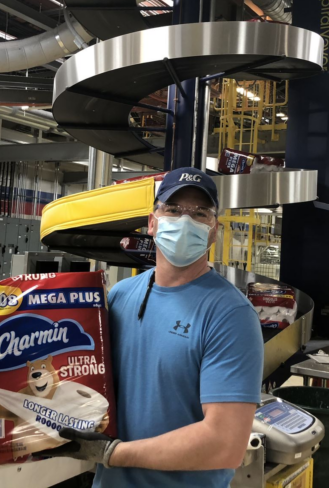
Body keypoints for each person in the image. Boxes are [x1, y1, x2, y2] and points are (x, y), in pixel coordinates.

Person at [56, 167, 265, 487]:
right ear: (152, 223)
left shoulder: (230, 315)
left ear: (214, 231)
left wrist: (114, 454)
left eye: (200, 213)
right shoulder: (122, 296)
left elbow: (225, 445)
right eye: (173, 209)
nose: (185, 221)